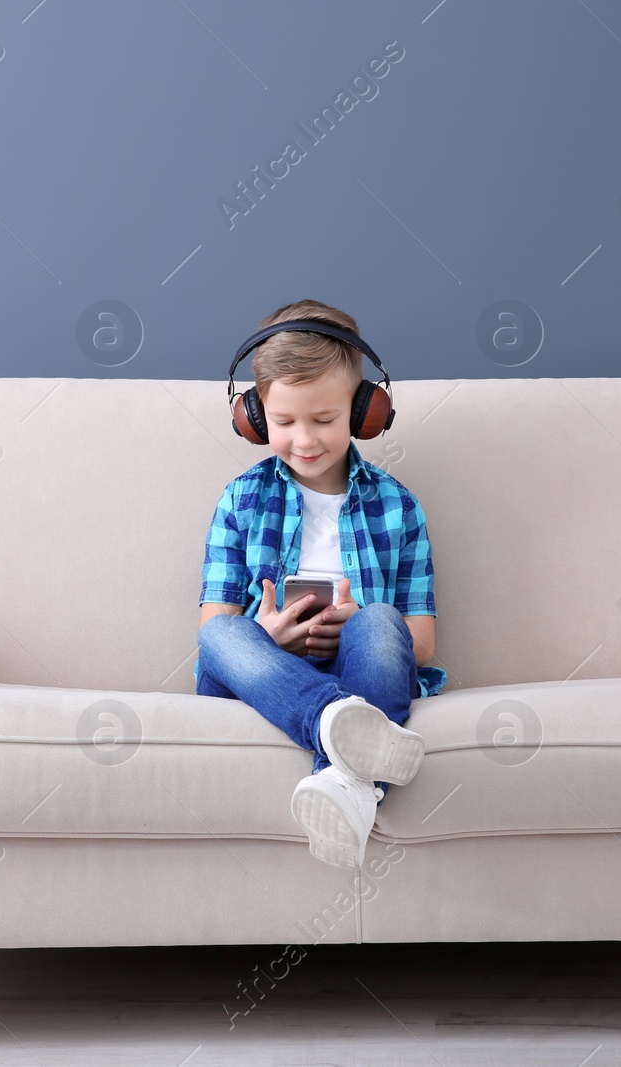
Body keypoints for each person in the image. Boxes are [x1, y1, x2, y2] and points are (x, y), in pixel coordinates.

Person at [195, 299, 447, 869]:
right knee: (221, 636)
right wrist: (267, 635)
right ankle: (335, 724)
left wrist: (357, 624)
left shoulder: (398, 505)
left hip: (362, 670)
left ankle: (342, 784)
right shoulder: (240, 499)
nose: (304, 439)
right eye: (284, 423)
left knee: (380, 620)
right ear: (254, 416)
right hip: (264, 675)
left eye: (325, 420)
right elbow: (214, 627)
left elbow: (423, 645)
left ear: (363, 412)